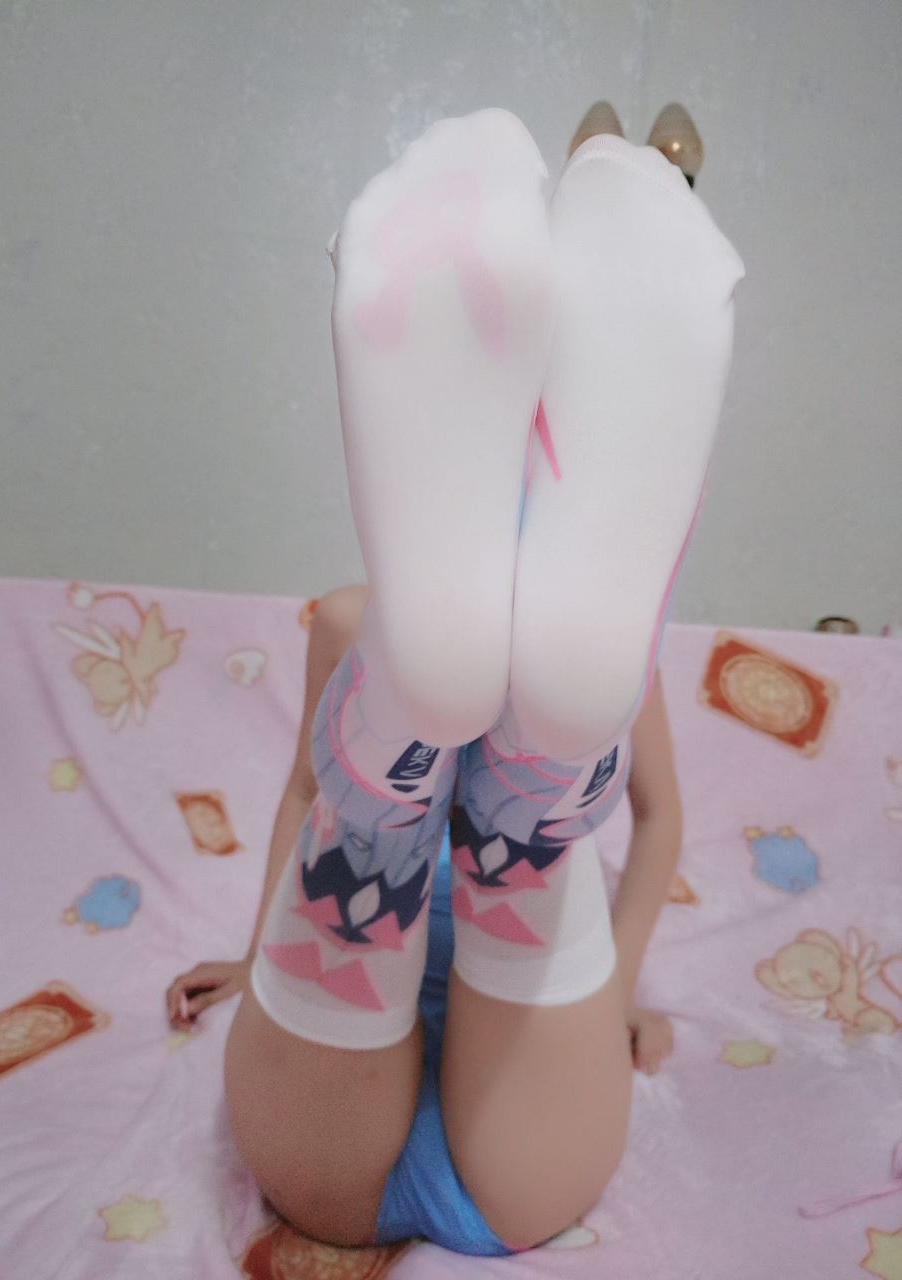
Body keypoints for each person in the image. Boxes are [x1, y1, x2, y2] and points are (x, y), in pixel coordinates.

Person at [166, 105, 743, 1255]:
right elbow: (658, 816)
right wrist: (610, 984)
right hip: (537, 1074)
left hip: (327, 1069)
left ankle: (406, 739)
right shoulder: (614, 666)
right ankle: (528, 793)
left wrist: (623, 986)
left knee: (362, 813)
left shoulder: (346, 620)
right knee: (535, 824)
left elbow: (303, 791)